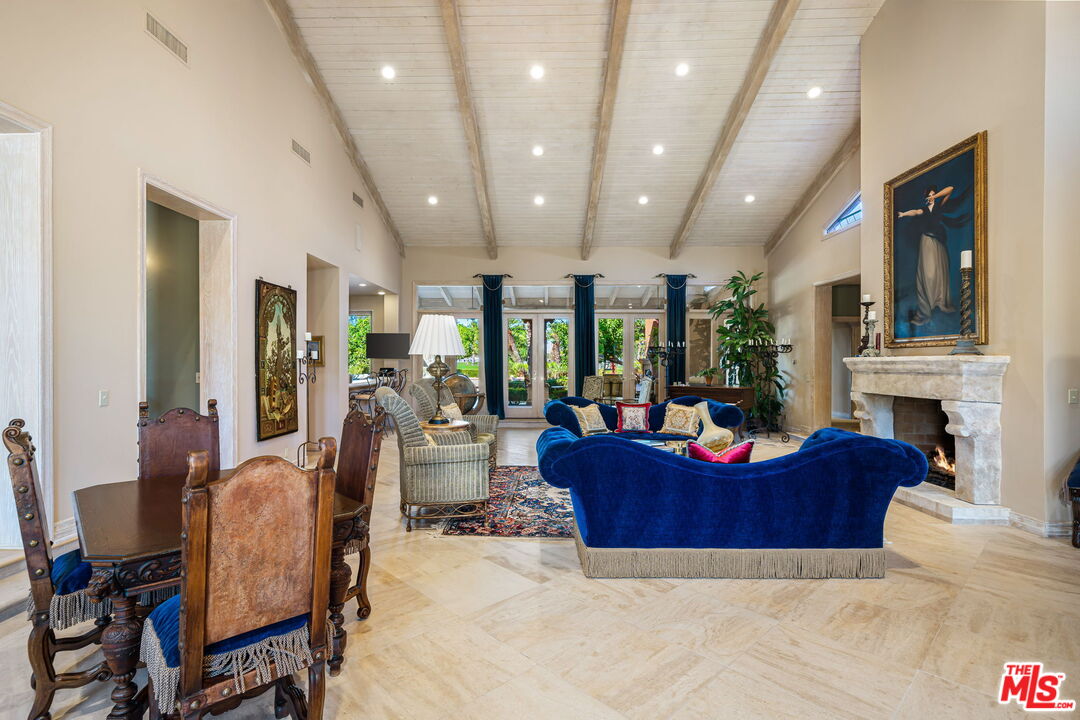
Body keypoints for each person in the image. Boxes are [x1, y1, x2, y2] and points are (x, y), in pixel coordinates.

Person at [897, 185, 956, 326]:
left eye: (933, 194)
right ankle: (927, 304)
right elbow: (915, 212)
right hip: (927, 241)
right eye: (928, 195)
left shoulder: (940, 206)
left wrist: (935, 197)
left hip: (939, 241)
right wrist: (904, 214)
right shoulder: (923, 210)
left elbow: (951, 189)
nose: (931, 197)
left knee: (940, 272)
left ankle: (940, 301)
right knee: (928, 272)